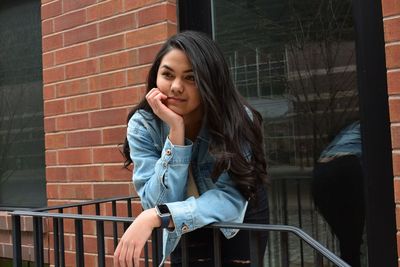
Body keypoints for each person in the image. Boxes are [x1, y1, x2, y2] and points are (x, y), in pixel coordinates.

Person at [113, 31, 269, 267]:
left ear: (210, 82)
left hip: (237, 216)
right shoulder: (143, 124)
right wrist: (176, 133)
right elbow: (159, 201)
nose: (176, 87)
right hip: (179, 219)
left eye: (191, 78)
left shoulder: (236, 118)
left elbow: (230, 198)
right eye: (167, 74)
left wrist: (156, 216)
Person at [312, 121, 364, 267]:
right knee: (351, 240)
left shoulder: (350, 128)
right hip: (347, 166)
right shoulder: (368, 123)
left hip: (321, 170)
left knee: (347, 239)